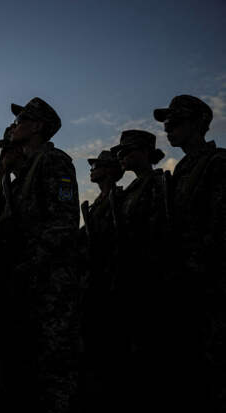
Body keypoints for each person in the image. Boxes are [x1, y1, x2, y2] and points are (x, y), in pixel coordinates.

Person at [0, 97, 80, 412]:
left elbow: (63, 222)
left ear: (37, 127)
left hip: (50, 281)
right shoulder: (25, 172)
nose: (13, 126)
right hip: (30, 281)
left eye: (20, 121)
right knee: (32, 365)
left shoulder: (54, 161)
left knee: (54, 364)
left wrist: (30, 264)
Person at [154, 94, 226, 411]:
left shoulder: (217, 163)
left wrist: (196, 265)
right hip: (182, 284)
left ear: (198, 124)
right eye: (167, 123)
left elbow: (219, 226)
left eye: (175, 122)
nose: (168, 128)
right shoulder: (181, 170)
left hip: (210, 285)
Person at [110, 129, 168, 412]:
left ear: (146, 153)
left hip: (149, 277)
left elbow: (158, 232)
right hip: (129, 275)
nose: (121, 156)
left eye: (127, 151)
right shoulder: (130, 190)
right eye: (120, 152)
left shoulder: (158, 184)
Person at [76, 150, 124, 412]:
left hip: (108, 278)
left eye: (97, 165)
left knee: (107, 343)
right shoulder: (98, 203)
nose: (92, 169)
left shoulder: (118, 199)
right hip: (93, 277)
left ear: (109, 170)